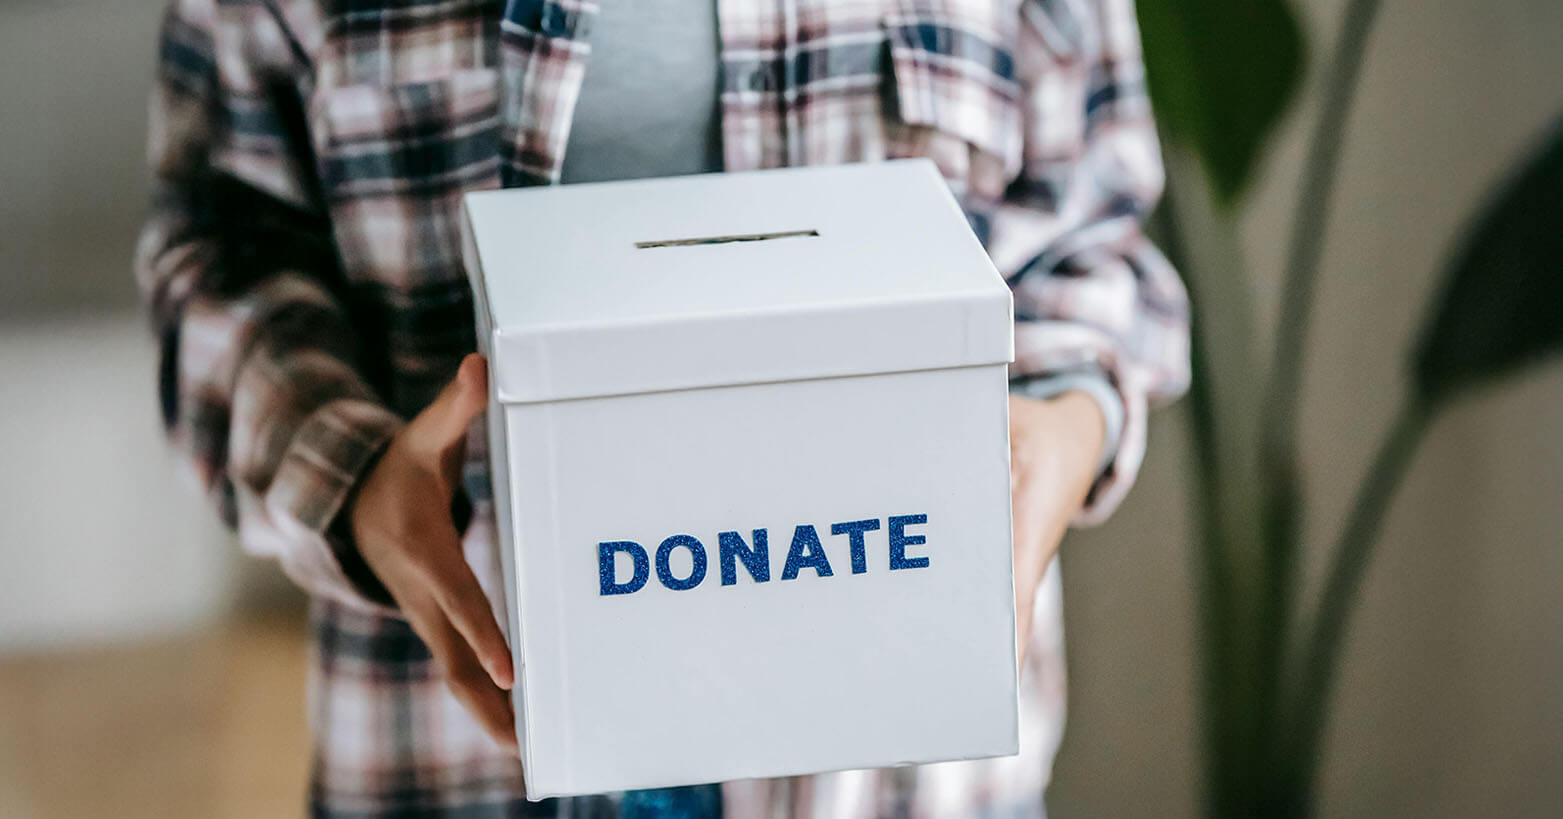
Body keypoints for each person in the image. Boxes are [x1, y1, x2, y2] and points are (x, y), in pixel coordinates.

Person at [137, 0, 1189, 814]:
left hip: (906, 782)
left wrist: (1061, 428)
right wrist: (357, 479)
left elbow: (1090, 234)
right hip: (451, 757)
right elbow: (221, 250)